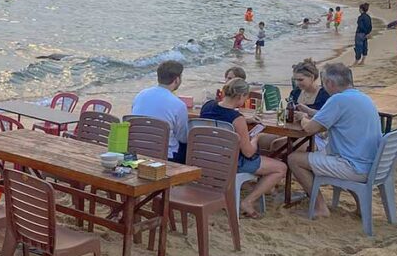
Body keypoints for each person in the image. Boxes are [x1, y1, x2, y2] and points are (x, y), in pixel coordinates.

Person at [287, 63, 381, 217]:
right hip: (370, 163)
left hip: (353, 167)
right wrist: (310, 111)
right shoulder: (362, 97)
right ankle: (360, 208)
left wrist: (304, 117)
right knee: (324, 154)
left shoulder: (338, 100)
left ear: (329, 83)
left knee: (294, 159)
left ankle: (320, 207)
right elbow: (335, 117)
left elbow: (310, 129)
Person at [199, 79, 287, 218]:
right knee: (281, 168)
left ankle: (251, 190)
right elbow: (248, 152)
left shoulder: (207, 106)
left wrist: (245, 122)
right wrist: (256, 138)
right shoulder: (236, 118)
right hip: (231, 162)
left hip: (209, 156)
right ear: (241, 97)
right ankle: (248, 201)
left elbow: (218, 120)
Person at [131, 60, 189, 163]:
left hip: (137, 148)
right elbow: (182, 137)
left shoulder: (140, 95)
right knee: (188, 146)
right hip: (165, 154)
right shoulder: (178, 105)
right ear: (176, 79)